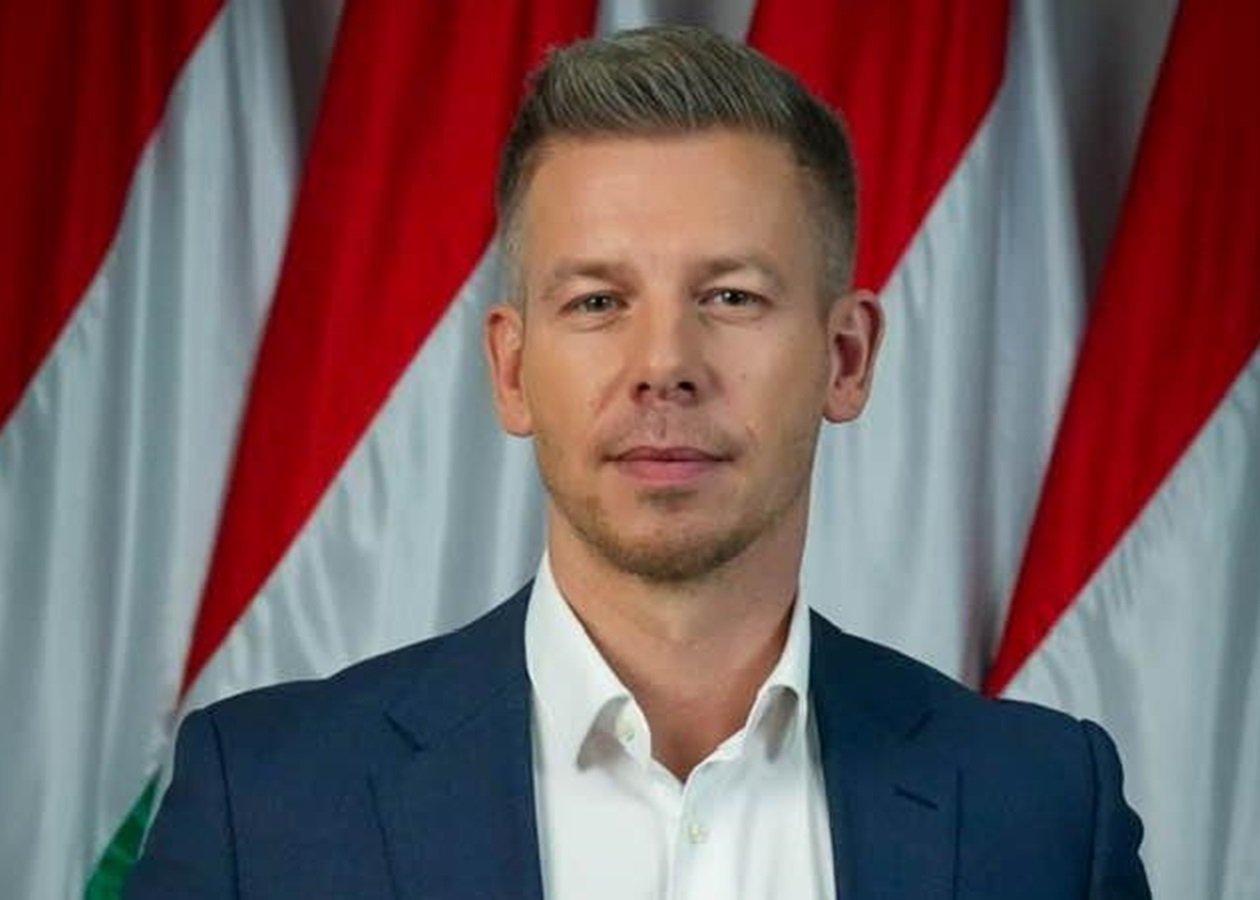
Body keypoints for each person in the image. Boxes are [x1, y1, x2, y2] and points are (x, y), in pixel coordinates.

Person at [127, 25, 1150, 899]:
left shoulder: (1046, 812)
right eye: (598, 301)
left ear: (846, 358)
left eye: (732, 296)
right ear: (512, 370)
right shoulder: (264, 803)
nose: (664, 364)